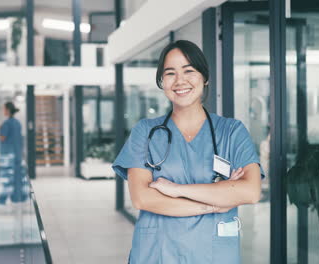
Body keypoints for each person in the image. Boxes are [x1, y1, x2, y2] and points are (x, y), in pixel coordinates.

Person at [112, 40, 264, 263]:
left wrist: (175, 189)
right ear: (162, 81)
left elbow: (250, 192)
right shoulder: (145, 132)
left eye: (189, 71)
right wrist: (214, 203)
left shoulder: (232, 131)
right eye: (170, 73)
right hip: (158, 252)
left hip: (214, 253)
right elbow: (142, 198)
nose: (180, 81)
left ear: (205, 77)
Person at [0, 102, 26, 205]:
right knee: (17, 177)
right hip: (17, 154)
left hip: (8, 155)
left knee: (6, 178)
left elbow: (3, 138)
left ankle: (2, 200)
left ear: (7, 110)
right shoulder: (18, 123)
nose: (3, 111)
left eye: (3, 109)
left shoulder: (6, 124)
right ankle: (18, 198)